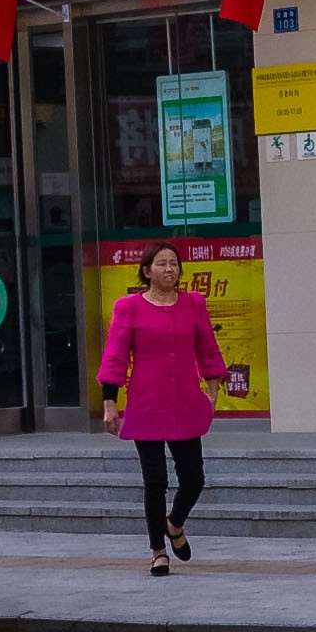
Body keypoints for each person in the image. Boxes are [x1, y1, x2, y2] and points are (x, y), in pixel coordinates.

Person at [96, 244, 225, 573]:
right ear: (147, 271)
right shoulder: (128, 307)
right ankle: (158, 550)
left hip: (185, 402)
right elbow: (115, 356)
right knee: (155, 481)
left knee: (194, 479)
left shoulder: (194, 304)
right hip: (147, 403)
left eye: (174, 264)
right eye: (162, 264)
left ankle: (175, 524)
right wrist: (110, 403)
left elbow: (208, 349)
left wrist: (212, 393)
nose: (170, 269)